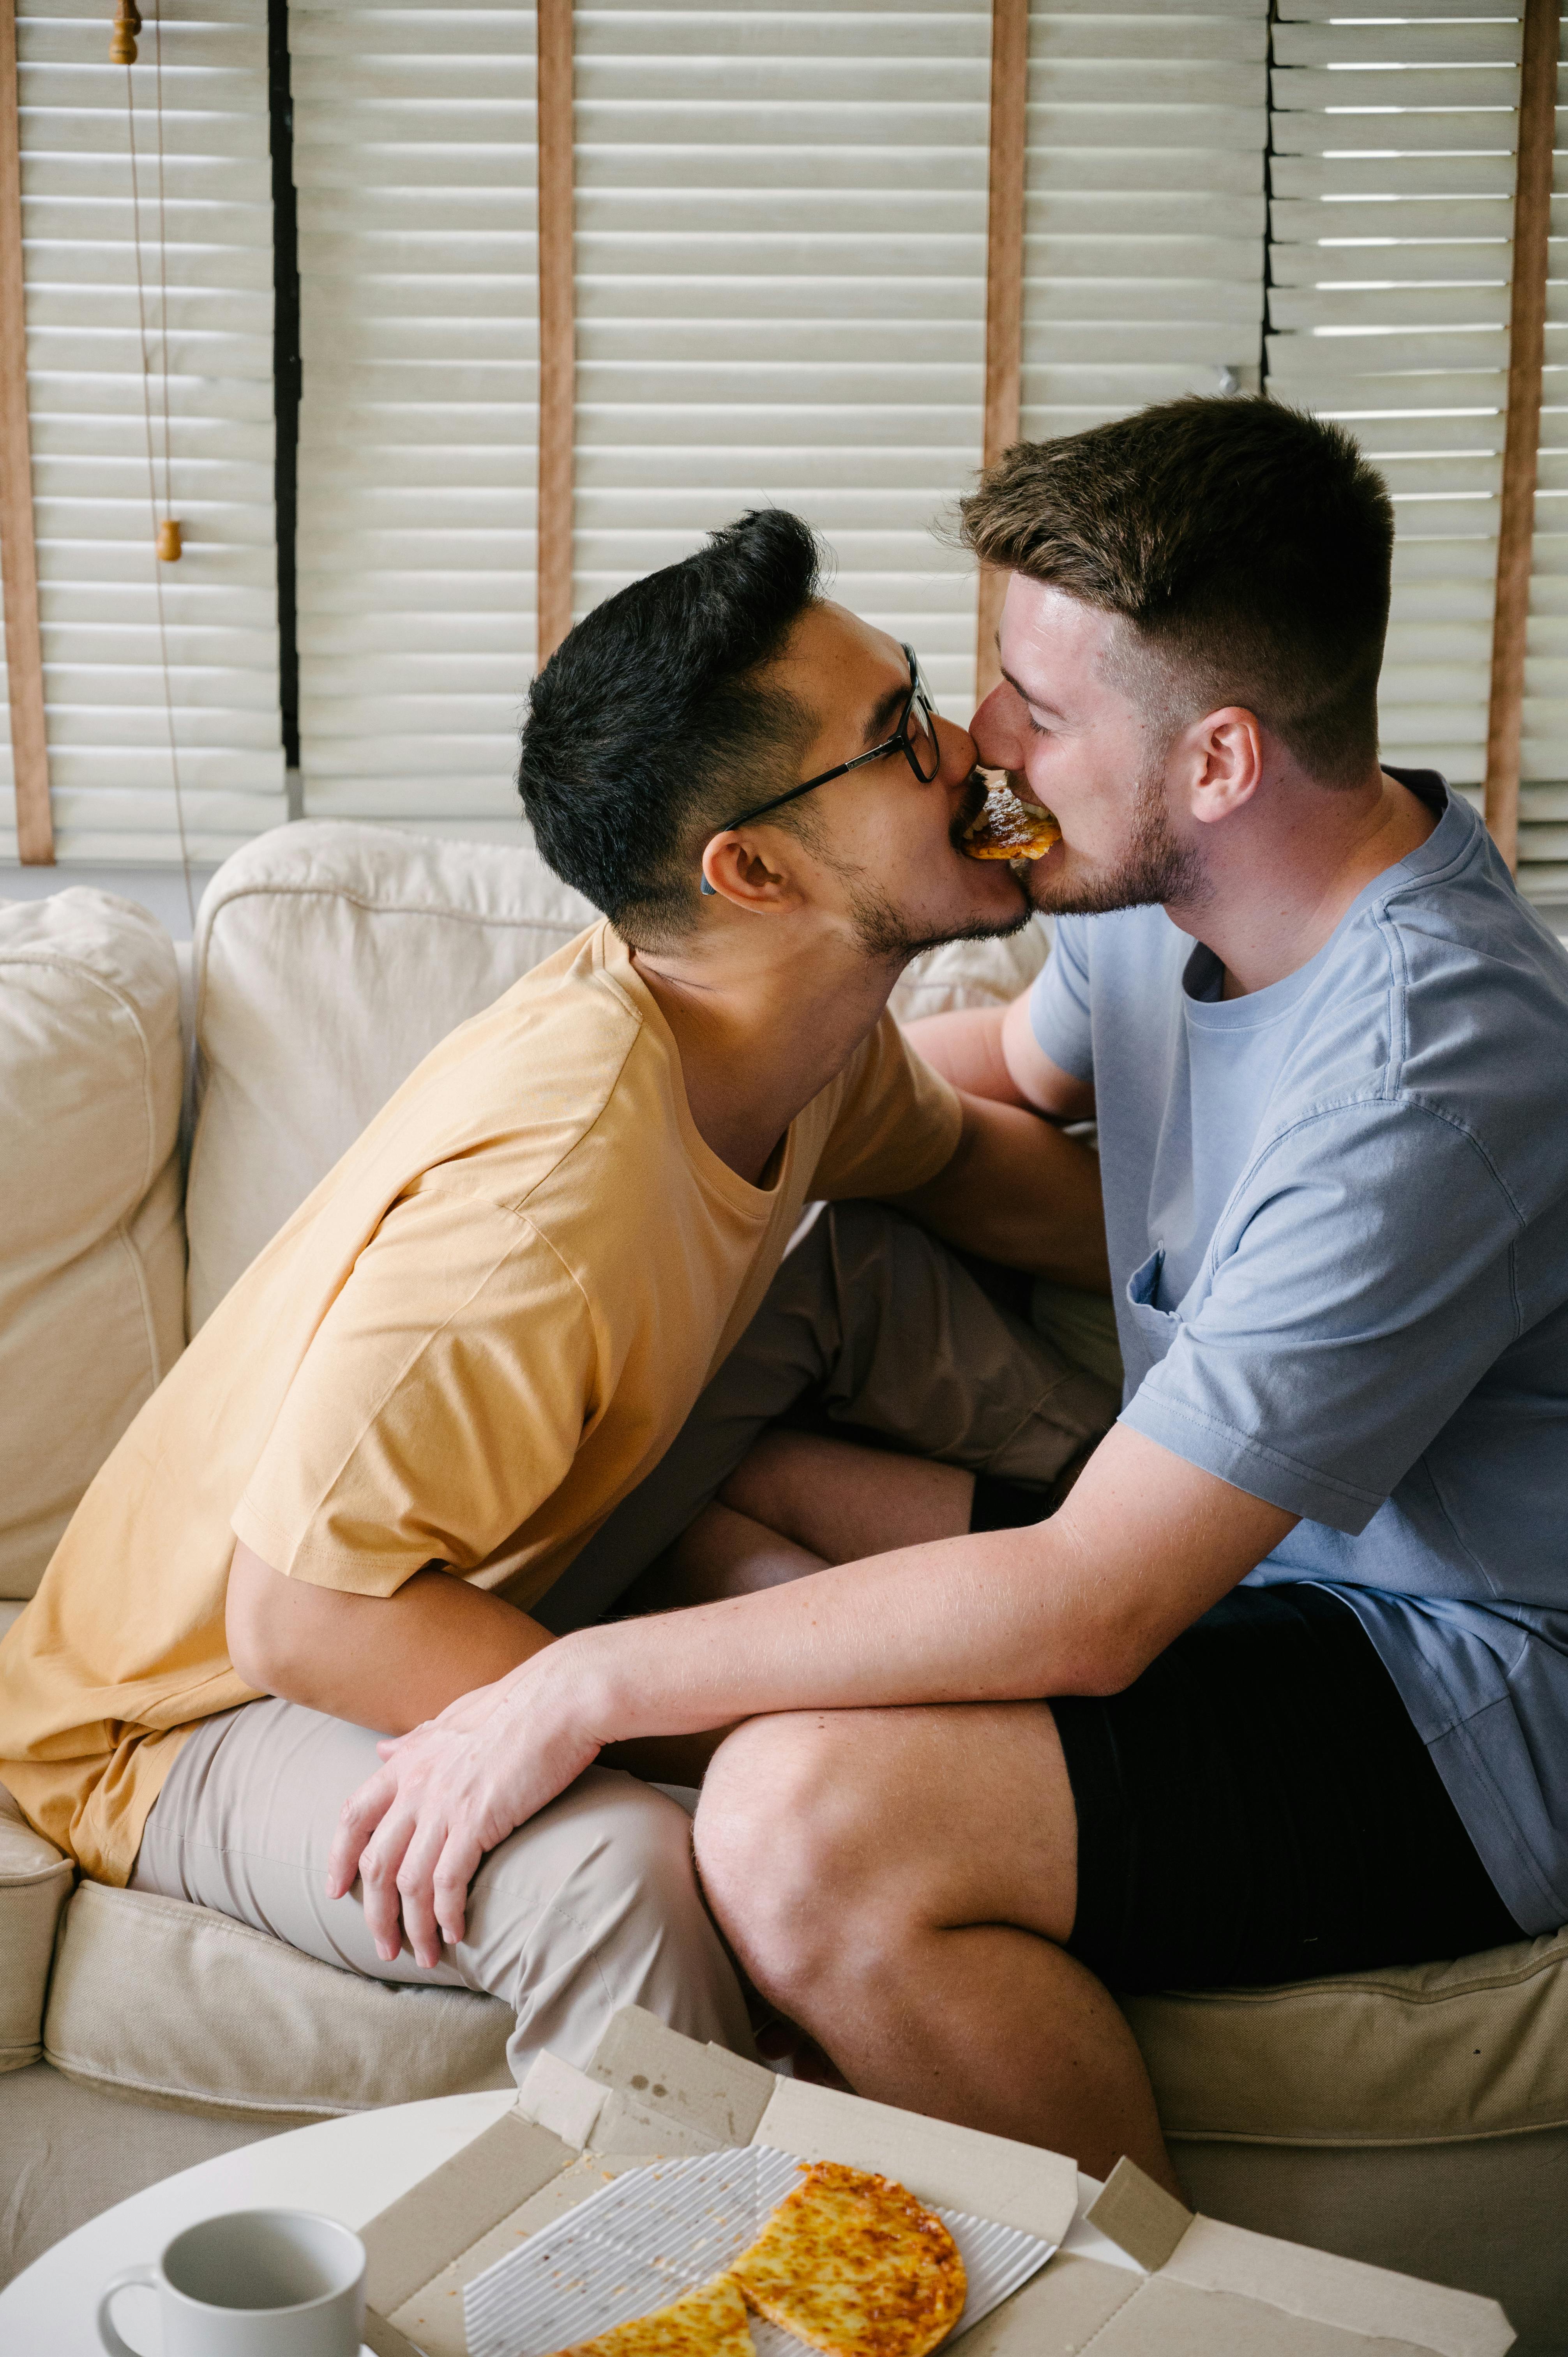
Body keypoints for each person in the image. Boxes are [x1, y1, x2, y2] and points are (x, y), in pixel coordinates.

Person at [328, 398, 1568, 2196]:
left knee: (796, 1824)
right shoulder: (1165, 903)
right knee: (712, 1476)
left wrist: (571, 1692)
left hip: (1461, 1684)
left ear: (1218, 759)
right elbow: (982, 1072)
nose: (978, 741)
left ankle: (1140, 2328)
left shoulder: (1429, 1075)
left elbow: (1091, 1607)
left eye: (1036, 707)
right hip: (1248, 1563)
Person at [0, 510, 1114, 2080]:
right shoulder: (543, 1208)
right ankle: (671, 2300)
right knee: (617, 1869)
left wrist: (1284, 1309)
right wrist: (688, 1708)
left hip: (470, 1567)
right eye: (897, 735)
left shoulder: (796, 1051)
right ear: (754, 869)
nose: (963, 748)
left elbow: (994, 1188)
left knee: (866, 1270)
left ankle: (1178, 1564)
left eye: (915, 695)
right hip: (187, 1706)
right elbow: (299, 1609)